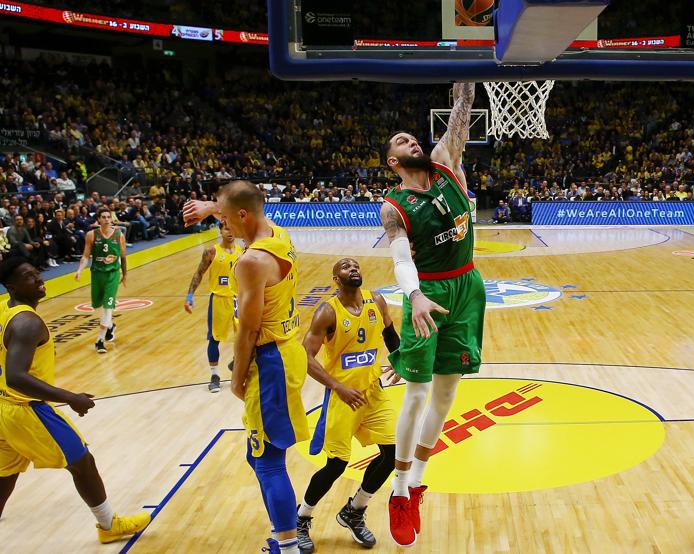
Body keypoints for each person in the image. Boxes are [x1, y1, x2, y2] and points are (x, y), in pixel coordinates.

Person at [379, 82, 486, 547]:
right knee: (418, 395)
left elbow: (462, 112)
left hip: (467, 284)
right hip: (427, 292)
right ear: (392, 162)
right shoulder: (393, 207)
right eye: (402, 142)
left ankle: (417, 482)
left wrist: (468, 77)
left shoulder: (447, 163)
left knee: (445, 395)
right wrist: (415, 295)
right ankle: (398, 491)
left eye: (414, 137)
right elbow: (401, 259)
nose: (413, 142)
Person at [183, 181, 309, 554]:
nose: (225, 227)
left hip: (269, 361)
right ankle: (283, 533)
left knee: (268, 462)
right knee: (258, 456)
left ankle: (287, 546)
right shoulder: (277, 233)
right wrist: (212, 206)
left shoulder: (252, 261)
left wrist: (236, 378)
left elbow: (249, 329)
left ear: (241, 215)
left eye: (227, 218)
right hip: (287, 351)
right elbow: (241, 203)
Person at [0, 256, 150, 544]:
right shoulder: (27, 322)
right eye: (29, 276)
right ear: (12, 286)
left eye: (37, 272)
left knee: (5, 471)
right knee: (83, 462)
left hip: (4, 408)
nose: (39, 279)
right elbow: (16, 377)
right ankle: (109, 526)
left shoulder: (5, 310)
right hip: (25, 409)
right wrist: (70, 397)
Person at [296, 258, 402, 552]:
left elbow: (391, 335)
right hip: (343, 397)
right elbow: (305, 357)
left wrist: (403, 360)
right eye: (345, 267)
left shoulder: (377, 301)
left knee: (393, 453)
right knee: (336, 465)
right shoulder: (327, 312)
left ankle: (354, 510)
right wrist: (337, 386)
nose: (353, 268)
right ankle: (302, 517)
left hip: (372, 392)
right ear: (336, 279)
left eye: (355, 265)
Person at [183, 223, 243, 393]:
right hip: (219, 299)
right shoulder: (212, 252)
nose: (229, 232)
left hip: (239, 299)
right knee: (214, 339)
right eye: (226, 229)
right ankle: (214, 375)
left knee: (246, 337)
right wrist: (189, 296)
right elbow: (199, 273)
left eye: (232, 228)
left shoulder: (243, 250)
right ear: (220, 231)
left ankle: (236, 362)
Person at [75, 208, 126, 354]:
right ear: (98, 219)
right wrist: (79, 270)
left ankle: (99, 340)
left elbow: (123, 256)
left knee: (108, 307)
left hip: (113, 273)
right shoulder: (91, 235)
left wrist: (125, 274)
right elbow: (85, 256)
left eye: (108, 217)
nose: (106, 219)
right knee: (97, 305)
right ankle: (110, 326)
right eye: (103, 217)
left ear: (111, 219)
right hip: (97, 273)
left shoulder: (118, 234)